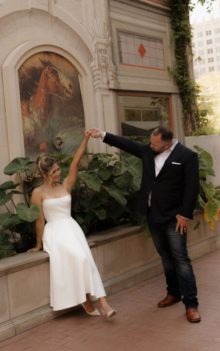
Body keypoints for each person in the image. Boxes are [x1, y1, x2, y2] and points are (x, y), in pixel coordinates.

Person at [90, 125, 201, 323]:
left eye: (155, 143)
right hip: (152, 214)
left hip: (175, 217)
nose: (150, 145)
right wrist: (103, 135)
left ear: (167, 144)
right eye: (150, 141)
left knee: (181, 259)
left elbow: (192, 187)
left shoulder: (187, 156)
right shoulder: (149, 150)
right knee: (166, 257)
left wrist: (185, 214)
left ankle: (191, 304)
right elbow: (127, 144)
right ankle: (173, 293)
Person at [28, 130, 116, 320]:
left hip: (71, 229)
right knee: (79, 259)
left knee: (87, 260)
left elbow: (76, 161)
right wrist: (38, 244)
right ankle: (85, 300)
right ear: (45, 174)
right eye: (54, 172)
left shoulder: (66, 185)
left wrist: (85, 138)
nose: (59, 173)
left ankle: (103, 303)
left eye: (59, 170)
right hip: (55, 233)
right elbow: (40, 220)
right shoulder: (38, 193)